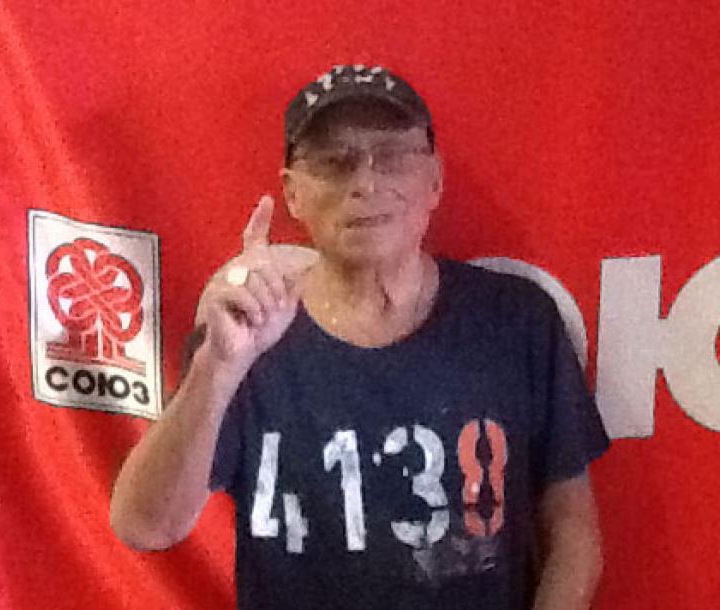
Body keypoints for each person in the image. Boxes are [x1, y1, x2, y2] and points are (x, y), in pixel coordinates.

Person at [109, 64, 610, 610]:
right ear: (292, 193)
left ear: (435, 180)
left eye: (391, 156)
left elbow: (573, 532)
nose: (365, 183)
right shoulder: (245, 333)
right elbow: (145, 526)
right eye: (334, 162)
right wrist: (220, 367)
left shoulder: (516, 320)